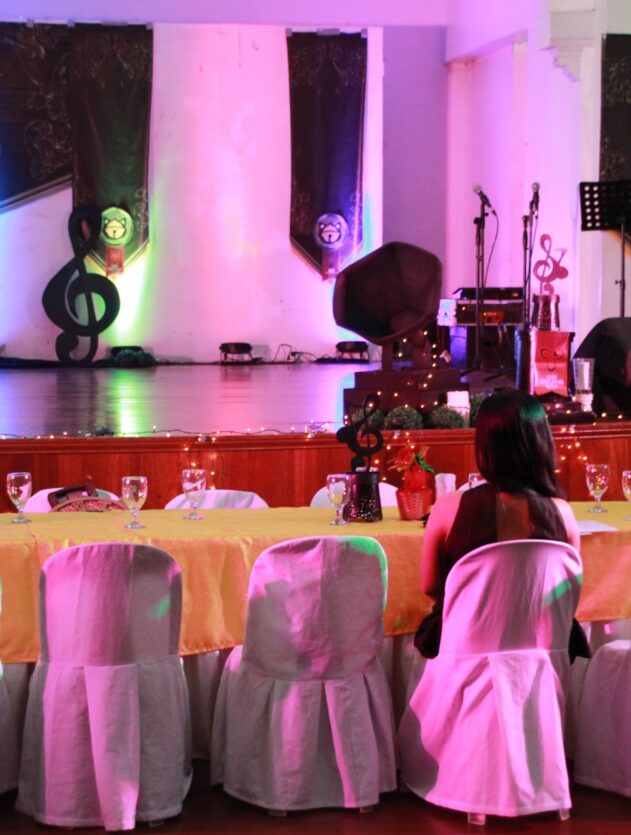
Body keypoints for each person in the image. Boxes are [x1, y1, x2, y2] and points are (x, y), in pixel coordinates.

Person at [415, 388, 589, 660]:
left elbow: (429, 586)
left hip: (465, 655)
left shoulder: (448, 507)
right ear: (541, 443)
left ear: (485, 445)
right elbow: (566, 591)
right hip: (539, 656)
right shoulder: (562, 513)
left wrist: (480, 607)